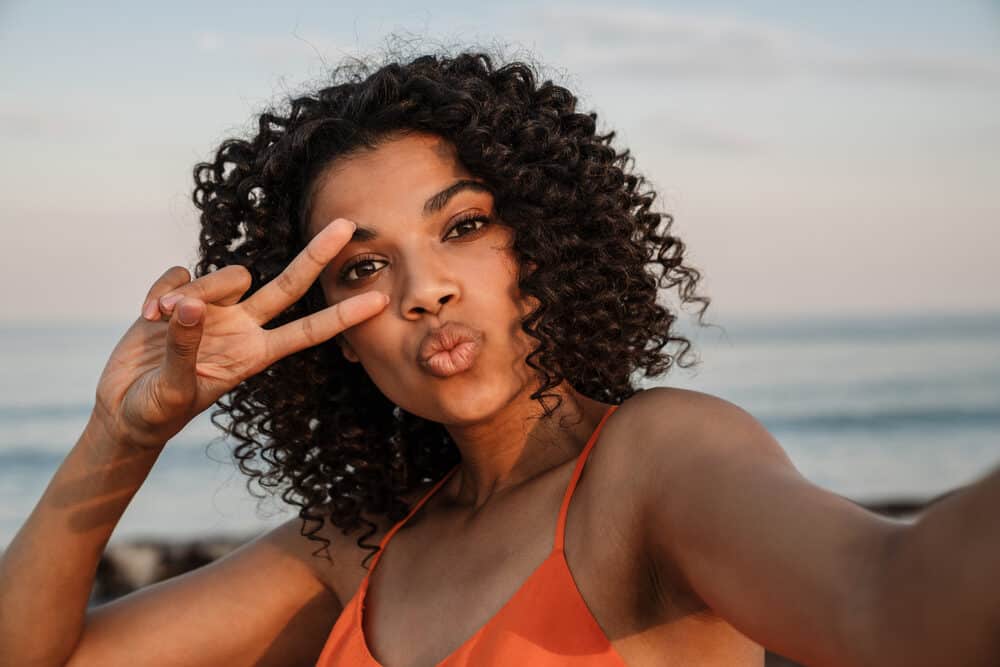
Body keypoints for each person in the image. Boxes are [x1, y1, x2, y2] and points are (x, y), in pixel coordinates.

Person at [0, 50, 997, 667]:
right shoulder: (352, 548)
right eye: (362, 268)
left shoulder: (651, 467)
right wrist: (124, 433)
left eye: (464, 224)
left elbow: (896, 605)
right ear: (331, 332)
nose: (422, 288)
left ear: (547, 241)